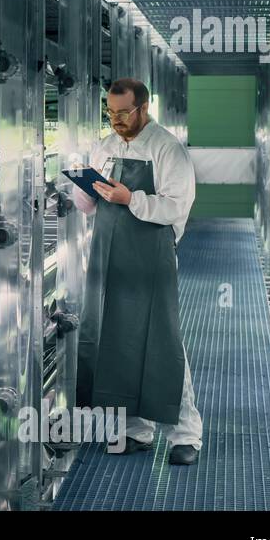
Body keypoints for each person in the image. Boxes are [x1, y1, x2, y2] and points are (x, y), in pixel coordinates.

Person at [68, 78, 202, 465]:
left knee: (162, 341)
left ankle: (185, 435)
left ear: (143, 108)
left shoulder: (167, 148)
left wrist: (132, 199)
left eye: (123, 113)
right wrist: (84, 186)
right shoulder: (105, 147)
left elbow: (177, 206)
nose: (116, 120)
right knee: (117, 340)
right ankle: (134, 430)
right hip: (109, 255)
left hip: (150, 255)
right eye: (110, 113)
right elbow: (90, 208)